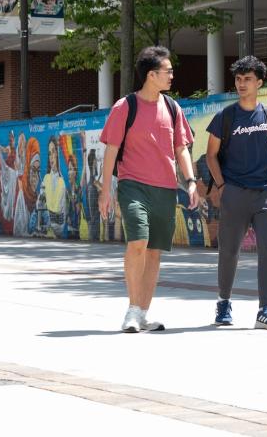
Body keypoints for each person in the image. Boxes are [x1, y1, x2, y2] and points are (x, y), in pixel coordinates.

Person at [98, 46, 198, 333]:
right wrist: (106, 190)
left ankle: (143, 312)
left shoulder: (173, 108)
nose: (171, 75)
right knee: (138, 242)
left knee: (154, 252)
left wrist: (190, 181)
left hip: (165, 188)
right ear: (151, 75)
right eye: (167, 71)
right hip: (133, 186)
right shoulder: (125, 107)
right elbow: (111, 150)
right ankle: (131, 309)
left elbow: (182, 148)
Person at [205, 56, 267, 330]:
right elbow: (211, 155)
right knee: (229, 251)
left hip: (266, 192)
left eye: (248, 79)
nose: (242, 84)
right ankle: (224, 302)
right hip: (235, 193)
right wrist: (221, 186)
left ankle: (265, 309)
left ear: (259, 83)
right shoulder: (225, 116)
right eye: (239, 79)